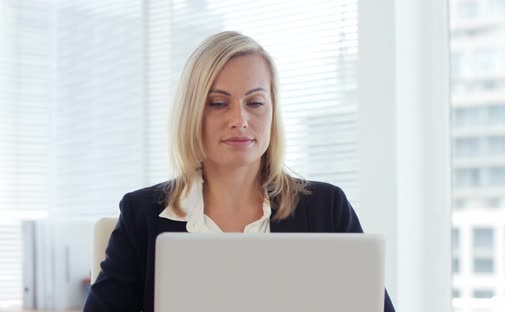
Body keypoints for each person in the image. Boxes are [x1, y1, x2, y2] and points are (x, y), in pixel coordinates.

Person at [83, 31, 395, 312]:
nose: (240, 119)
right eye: (219, 103)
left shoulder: (327, 208)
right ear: (193, 112)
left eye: (255, 102)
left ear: (272, 110)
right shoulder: (142, 215)